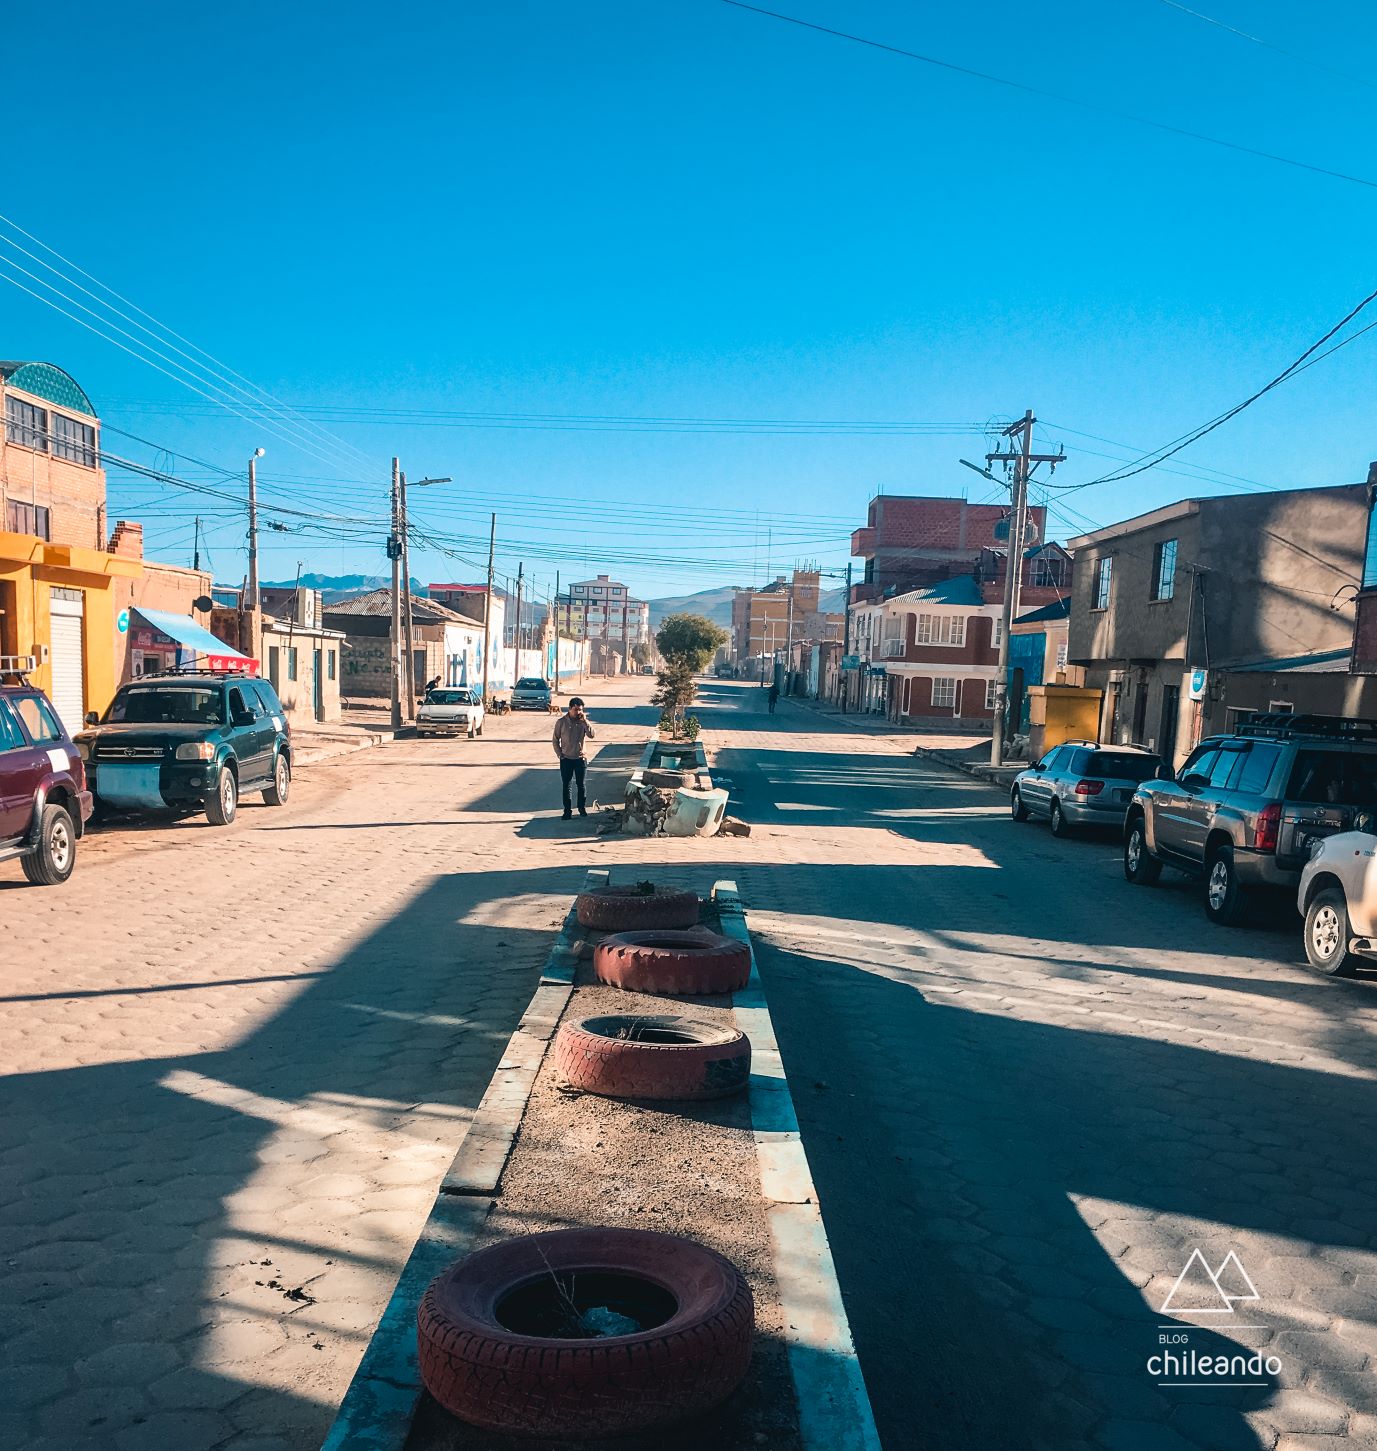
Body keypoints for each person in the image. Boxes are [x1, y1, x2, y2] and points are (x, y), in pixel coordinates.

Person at [553, 696, 595, 818]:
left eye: (580, 709)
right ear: (570, 709)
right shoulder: (561, 722)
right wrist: (560, 754)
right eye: (576, 709)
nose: (578, 712)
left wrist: (585, 722)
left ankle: (582, 808)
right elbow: (555, 739)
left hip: (580, 758)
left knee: (581, 785)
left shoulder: (583, 722)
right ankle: (567, 811)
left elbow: (592, 735)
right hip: (566, 759)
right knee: (567, 786)